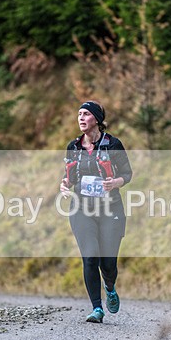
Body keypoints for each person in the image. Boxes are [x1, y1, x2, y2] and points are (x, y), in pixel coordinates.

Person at [60, 101, 133, 323]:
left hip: (110, 208)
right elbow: (70, 177)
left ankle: (109, 287)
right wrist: (64, 184)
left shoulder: (113, 144)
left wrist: (116, 182)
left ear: (97, 119)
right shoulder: (73, 147)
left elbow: (127, 174)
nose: (81, 118)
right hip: (82, 208)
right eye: (79, 114)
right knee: (90, 256)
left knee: (107, 264)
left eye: (86, 114)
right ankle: (97, 309)